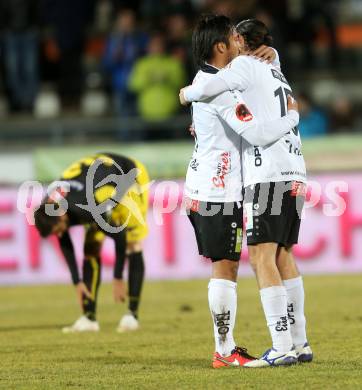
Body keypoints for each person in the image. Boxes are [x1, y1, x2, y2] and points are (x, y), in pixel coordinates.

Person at [181, 18, 313, 367]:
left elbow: (261, 88)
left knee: (257, 260)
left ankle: (252, 347)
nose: (240, 43)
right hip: (217, 191)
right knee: (229, 267)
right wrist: (292, 119)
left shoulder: (220, 80)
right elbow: (254, 132)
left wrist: (273, 58)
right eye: (233, 38)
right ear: (222, 47)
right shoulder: (220, 86)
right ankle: (226, 350)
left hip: (221, 186)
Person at [34, 153, 149, 333]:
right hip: (100, 187)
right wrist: (76, 281)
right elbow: (63, 239)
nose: (61, 233)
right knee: (91, 249)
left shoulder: (86, 209)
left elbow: (119, 237)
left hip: (130, 176)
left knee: (133, 244)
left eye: (59, 229)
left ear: (62, 215)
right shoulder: (50, 207)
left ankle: (132, 315)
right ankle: (89, 318)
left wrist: (118, 277)